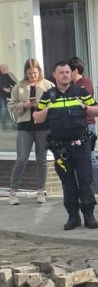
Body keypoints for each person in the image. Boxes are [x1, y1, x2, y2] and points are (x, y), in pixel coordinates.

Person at [33, 61, 98, 230]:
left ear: (71, 74)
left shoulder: (80, 92)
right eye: (61, 72)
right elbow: (36, 118)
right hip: (60, 148)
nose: (65, 75)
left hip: (81, 144)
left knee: (85, 180)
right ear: (54, 75)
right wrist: (48, 109)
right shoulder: (48, 95)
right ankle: (73, 216)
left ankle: (89, 215)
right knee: (68, 183)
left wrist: (84, 106)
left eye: (67, 72)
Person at [69, 57, 98, 204]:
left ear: (75, 70)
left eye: (69, 71)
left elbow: (79, 100)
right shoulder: (72, 85)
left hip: (86, 125)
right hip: (73, 126)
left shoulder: (85, 83)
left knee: (90, 158)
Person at [7, 59, 53, 205]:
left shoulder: (48, 85)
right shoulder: (19, 87)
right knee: (21, 159)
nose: (33, 76)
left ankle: (41, 191)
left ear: (39, 71)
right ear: (25, 73)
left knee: (42, 160)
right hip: (24, 127)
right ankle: (13, 192)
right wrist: (24, 105)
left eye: (35, 73)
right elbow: (11, 106)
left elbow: (54, 104)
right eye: (29, 73)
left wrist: (42, 105)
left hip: (43, 127)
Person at [0, 64, 17, 131]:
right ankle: (4, 125)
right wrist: (4, 89)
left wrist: (17, 86)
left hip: (7, 95)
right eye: (3, 68)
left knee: (13, 107)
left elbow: (12, 82)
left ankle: (14, 124)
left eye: (5, 68)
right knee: (4, 108)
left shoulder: (7, 75)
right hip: (1, 95)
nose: (5, 69)